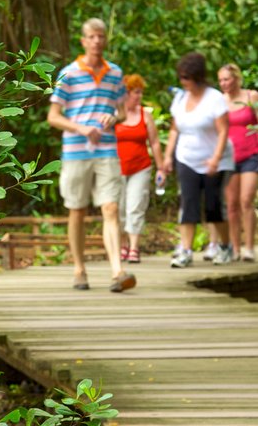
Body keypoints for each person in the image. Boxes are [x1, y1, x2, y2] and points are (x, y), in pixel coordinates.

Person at [47, 18, 136, 293]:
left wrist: (114, 116)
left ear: (105, 40)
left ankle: (117, 271)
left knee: (110, 207)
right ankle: (79, 269)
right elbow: (53, 117)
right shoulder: (69, 73)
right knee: (77, 209)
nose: (97, 41)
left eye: (101, 36)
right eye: (92, 37)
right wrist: (81, 127)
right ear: (84, 41)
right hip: (76, 150)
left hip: (107, 148)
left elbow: (122, 111)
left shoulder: (115, 73)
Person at [161, 52, 235, 267]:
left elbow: (223, 131)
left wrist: (215, 158)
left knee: (213, 207)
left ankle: (225, 245)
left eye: (187, 78)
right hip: (186, 157)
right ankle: (185, 250)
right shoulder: (180, 98)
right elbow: (175, 130)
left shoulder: (214, 98)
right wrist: (167, 157)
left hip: (215, 161)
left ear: (198, 77)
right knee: (188, 203)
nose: (183, 82)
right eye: (181, 77)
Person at [218, 64, 258, 262]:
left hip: (252, 153)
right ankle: (235, 247)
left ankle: (249, 247)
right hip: (229, 157)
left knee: (246, 200)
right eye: (221, 80)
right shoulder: (219, 101)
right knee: (231, 204)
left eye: (227, 79)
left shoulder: (252, 97)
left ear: (236, 79)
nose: (224, 84)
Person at [115, 74, 165, 264]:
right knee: (118, 208)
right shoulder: (114, 113)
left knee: (135, 206)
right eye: (137, 92)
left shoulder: (145, 114)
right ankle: (122, 245)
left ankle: (134, 247)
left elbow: (155, 142)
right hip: (116, 168)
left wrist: (161, 168)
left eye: (141, 92)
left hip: (140, 167)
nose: (139, 96)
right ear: (126, 93)